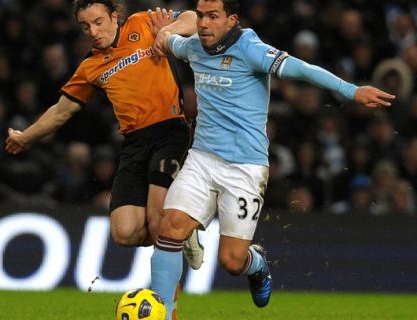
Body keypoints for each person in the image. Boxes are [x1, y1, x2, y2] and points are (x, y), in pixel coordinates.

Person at [149, 0, 395, 317]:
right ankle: (164, 313)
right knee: (169, 228)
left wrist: (351, 91)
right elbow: (170, 43)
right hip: (201, 158)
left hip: (245, 168)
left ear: (230, 20)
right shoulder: (194, 46)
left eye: (213, 17)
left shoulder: (251, 48)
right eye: (200, 16)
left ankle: (257, 264)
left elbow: (303, 69)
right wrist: (162, 35)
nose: (204, 24)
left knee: (231, 261)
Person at [5, 1, 204, 317]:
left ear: (115, 16)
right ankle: (181, 231)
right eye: (85, 27)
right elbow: (62, 110)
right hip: (134, 144)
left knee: (157, 219)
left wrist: (166, 32)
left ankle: (169, 311)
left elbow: (195, 19)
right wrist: (25, 137)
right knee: (124, 233)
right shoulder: (90, 67)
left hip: (171, 131)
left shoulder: (141, 22)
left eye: (98, 22)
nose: (93, 32)